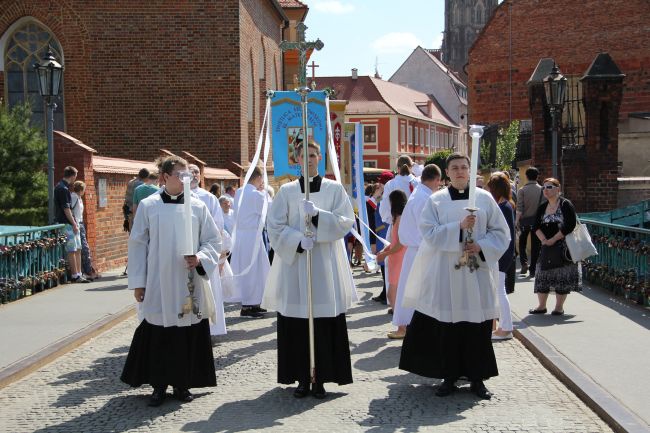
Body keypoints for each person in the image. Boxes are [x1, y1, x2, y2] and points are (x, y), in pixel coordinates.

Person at [399, 153, 510, 400]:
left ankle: (477, 379)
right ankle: (448, 377)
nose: (460, 171)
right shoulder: (436, 201)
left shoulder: (484, 198)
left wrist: (481, 246)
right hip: (446, 272)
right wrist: (458, 228)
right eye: (455, 168)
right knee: (448, 328)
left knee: (477, 328)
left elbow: (501, 233)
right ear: (447, 173)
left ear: (470, 171)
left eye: (464, 167)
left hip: (476, 272)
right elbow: (428, 233)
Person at [120, 155, 220, 407]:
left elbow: (212, 240)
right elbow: (138, 244)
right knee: (159, 332)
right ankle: (159, 385)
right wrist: (138, 283)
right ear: (165, 177)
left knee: (186, 333)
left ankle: (182, 383)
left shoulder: (198, 206)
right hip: (159, 280)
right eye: (181, 175)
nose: (187, 179)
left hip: (187, 282)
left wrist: (199, 257)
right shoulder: (149, 205)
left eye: (189, 175)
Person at [262, 140, 355, 399]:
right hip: (296, 264)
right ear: (297, 160)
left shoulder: (334, 189)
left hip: (325, 264)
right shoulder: (287, 192)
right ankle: (302, 378)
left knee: (324, 322)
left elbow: (345, 221)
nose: (310, 159)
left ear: (320, 158)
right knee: (297, 322)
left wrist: (319, 216)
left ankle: (322, 378)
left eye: (314, 155)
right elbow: (274, 225)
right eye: (305, 155)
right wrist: (296, 241)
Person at [390, 164, 441, 339]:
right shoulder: (425, 198)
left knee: (410, 289)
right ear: (437, 180)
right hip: (420, 249)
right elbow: (426, 228)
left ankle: (407, 325)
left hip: (415, 249)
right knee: (417, 290)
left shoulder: (420, 194)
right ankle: (411, 326)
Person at [188, 164, 230, 338]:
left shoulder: (209, 198)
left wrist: (218, 254)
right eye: (191, 172)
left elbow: (218, 225)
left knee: (209, 290)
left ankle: (210, 329)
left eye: (197, 172)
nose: (194, 174)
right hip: (184, 251)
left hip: (205, 250)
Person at [529, 178, 581, 316]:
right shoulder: (542, 207)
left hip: (563, 248)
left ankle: (559, 307)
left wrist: (553, 239)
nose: (545, 190)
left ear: (558, 189)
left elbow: (569, 225)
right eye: (544, 187)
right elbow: (535, 226)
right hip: (546, 246)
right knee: (542, 275)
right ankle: (541, 306)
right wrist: (545, 240)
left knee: (561, 276)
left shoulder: (565, 204)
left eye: (549, 187)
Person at [231, 167, 270, 317]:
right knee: (252, 271)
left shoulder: (240, 191)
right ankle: (247, 306)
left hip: (243, 236)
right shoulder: (255, 195)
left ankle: (254, 303)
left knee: (257, 270)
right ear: (259, 177)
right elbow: (267, 211)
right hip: (251, 237)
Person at [487, 173, 516, 340]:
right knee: (499, 290)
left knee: (499, 291)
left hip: (502, 253)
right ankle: (503, 326)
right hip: (504, 253)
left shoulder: (503, 207)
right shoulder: (506, 204)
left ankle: (506, 327)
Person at [376, 190, 407, 332]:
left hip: (399, 258)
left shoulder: (400, 219)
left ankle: (402, 326)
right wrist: (385, 250)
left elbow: (401, 243)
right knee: (393, 293)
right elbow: (395, 241)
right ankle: (402, 325)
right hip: (395, 257)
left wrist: (385, 253)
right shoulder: (397, 218)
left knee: (393, 294)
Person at [54, 166, 87, 283]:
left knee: (77, 248)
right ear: (72, 176)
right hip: (67, 223)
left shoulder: (61, 187)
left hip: (70, 223)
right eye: (75, 176)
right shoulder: (63, 189)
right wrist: (73, 223)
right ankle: (75, 275)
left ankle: (79, 273)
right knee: (72, 249)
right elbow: (66, 208)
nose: (75, 179)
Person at [516, 167, 544, 277]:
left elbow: (519, 208)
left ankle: (524, 262)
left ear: (526, 176)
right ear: (537, 176)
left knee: (522, 243)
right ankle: (533, 269)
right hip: (538, 222)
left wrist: (516, 221)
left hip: (524, 221)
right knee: (536, 246)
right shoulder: (542, 190)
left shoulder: (522, 190)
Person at [371, 171, 393, 304]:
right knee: (385, 266)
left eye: (381, 182)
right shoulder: (385, 195)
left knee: (386, 265)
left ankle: (386, 294)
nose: (379, 183)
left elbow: (381, 217)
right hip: (383, 233)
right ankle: (385, 292)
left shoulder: (387, 197)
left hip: (383, 234)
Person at [70, 181, 98, 281]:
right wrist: (75, 223)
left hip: (80, 223)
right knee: (83, 248)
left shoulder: (78, 198)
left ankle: (84, 271)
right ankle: (87, 271)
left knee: (81, 248)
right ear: (81, 189)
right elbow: (70, 210)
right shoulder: (74, 197)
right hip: (77, 224)